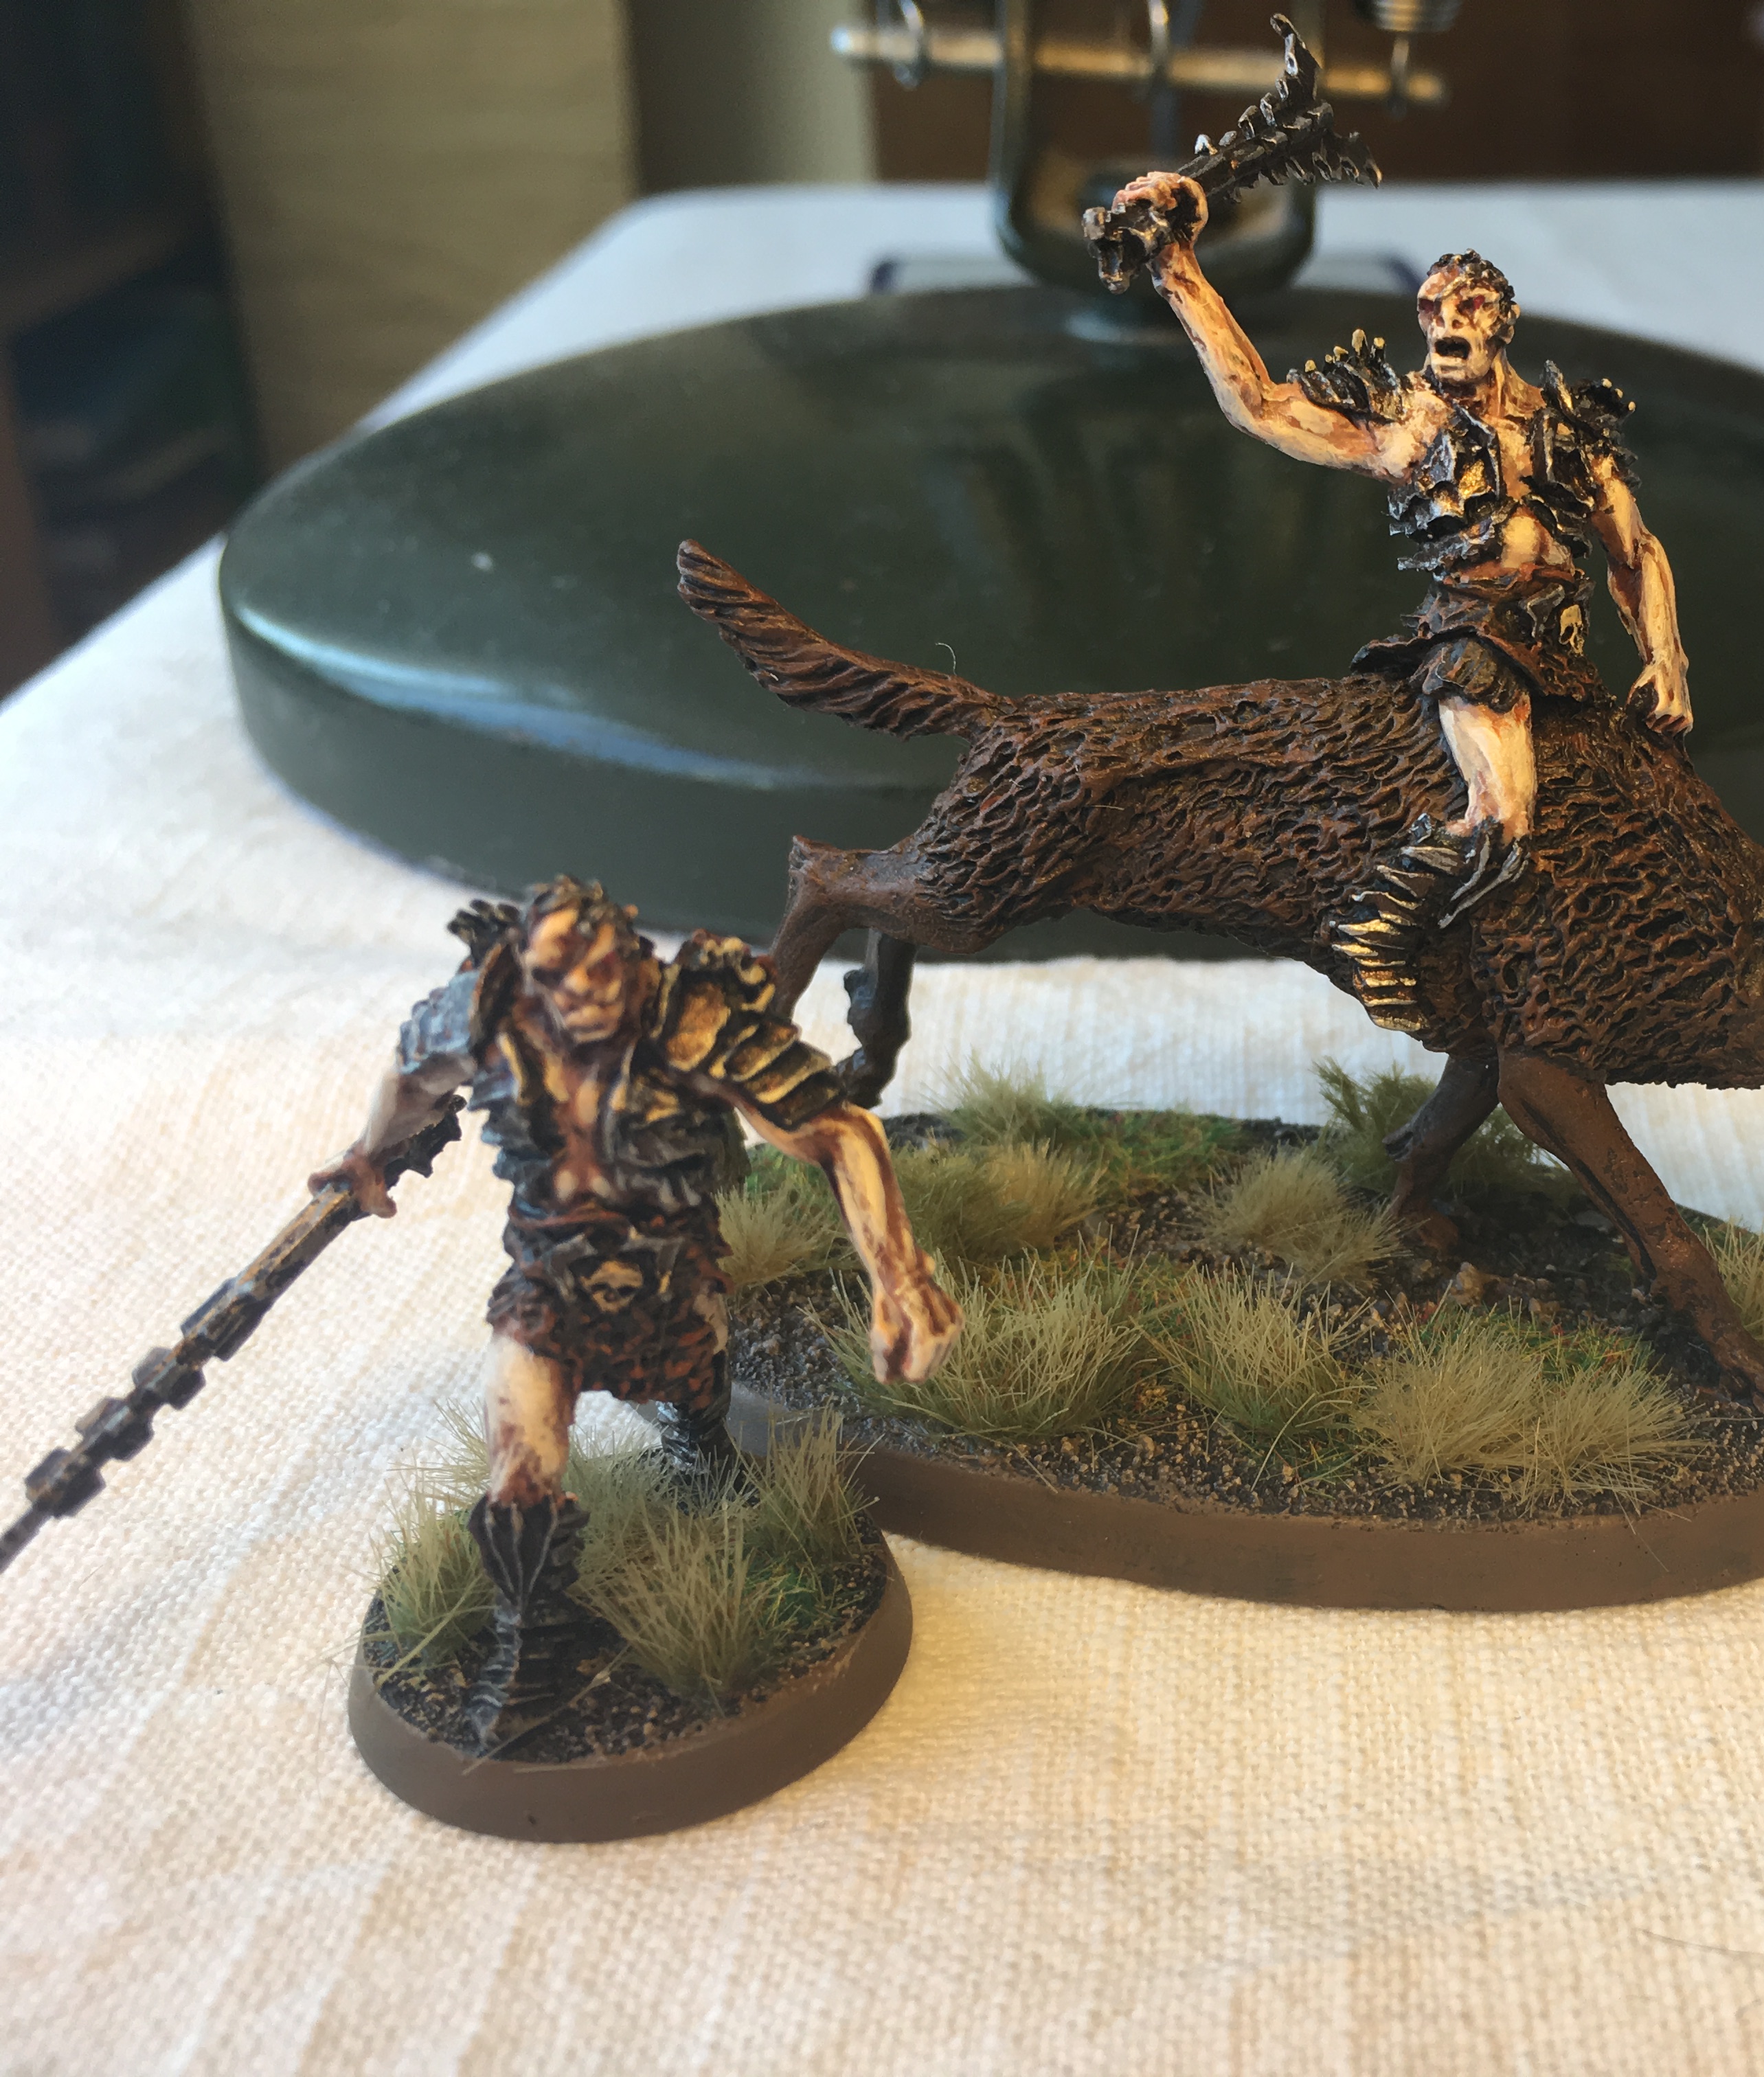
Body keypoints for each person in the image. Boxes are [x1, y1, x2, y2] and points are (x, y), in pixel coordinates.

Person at [314, 877, 958, 1749]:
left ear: (627, 951)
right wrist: (366, 1156)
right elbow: (408, 1077)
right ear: (531, 973)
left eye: (599, 967)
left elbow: (840, 1132)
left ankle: (702, 1448)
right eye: (559, 976)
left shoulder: (693, 1022)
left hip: (670, 1273)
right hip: (545, 1281)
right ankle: (531, 1639)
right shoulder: (486, 1013)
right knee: (519, 1464)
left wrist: (900, 1277)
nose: (583, 991)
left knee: (695, 1384)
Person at [1113, 170, 1695, 1029]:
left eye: (1468, 309)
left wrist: (1665, 657)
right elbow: (1259, 404)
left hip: (1563, 654)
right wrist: (1178, 267)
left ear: (1503, 321)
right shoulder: (1407, 425)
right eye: (1432, 310)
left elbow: (1635, 549)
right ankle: (1377, 935)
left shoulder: (1561, 429)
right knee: (1503, 818)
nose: (1448, 325)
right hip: (1477, 644)